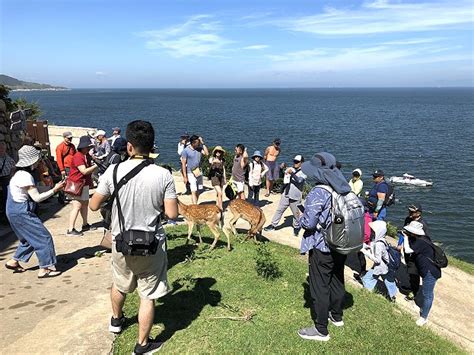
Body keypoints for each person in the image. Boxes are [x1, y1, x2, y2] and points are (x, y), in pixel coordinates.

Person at [89, 120, 178, 354]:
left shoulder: (113, 171)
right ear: (152, 146)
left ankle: (117, 321)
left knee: (120, 284)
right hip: (151, 243)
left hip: (121, 242)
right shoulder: (163, 175)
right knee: (147, 295)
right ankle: (142, 346)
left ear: (129, 146)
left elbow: (94, 205)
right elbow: (171, 213)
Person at [298, 152, 350, 342]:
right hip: (342, 243)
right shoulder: (344, 188)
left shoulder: (319, 192)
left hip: (323, 245)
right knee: (337, 278)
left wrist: (300, 219)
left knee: (319, 285)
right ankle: (336, 316)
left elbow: (309, 224)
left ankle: (321, 329)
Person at [4, 145, 65, 278]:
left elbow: (33, 192)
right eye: (38, 160)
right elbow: (36, 198)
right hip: (22, 212)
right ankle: (46, 268)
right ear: (32, 161)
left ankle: (14, 261)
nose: (40, 162)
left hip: (12, 210)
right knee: (43, 237)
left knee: (28, 239)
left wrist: (53, 187)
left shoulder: (17, 174)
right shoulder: (26, 176)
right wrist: (55, 190)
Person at [402, 221, 441, 326]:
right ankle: (423, 308)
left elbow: (408, 251)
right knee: (426, 293)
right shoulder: (422, 239)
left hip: (430, 272)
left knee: (427, 295)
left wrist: (405, 237)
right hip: (427, 270)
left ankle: (424, 317)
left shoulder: (420, 242)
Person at [264, 155, 306, 236]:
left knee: (296, 213)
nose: (295, 163)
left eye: (297, 162)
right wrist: (281, 169)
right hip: (286, 193)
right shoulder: (290, 168)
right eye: (294, 161)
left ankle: (296, 227)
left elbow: (300, 181)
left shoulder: (304, 172)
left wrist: (292, 173)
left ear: (302, 163)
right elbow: (281, 177)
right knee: (279, 210)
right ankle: (273, 225)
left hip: (295, 196)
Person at [66, 136, 98, 236]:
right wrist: (96, 166)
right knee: (77, 206)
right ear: (82, 147)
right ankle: (70, 229)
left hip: (83, 184)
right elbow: (84, 171)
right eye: (87, 147)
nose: (89, 149)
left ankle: (85, 224)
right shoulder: (78, 156)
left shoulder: (86, 155)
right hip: (76, 184)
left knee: (84, 204)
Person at [361, 220, 398, 302]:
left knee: (367, 279)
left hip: (380, 267)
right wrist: (368, 247)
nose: (371, 231)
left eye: (373, 230)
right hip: (387, 266)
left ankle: (367, 293)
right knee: (389, 281)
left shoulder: (378, 244)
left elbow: (377, 260)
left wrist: (365, 252)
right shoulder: (382, 239)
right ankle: (393, 296)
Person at [398, 204, 429, 301]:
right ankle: (412, 286)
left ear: (419, 213)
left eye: (412, 212)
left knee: (414, 271)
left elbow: (425, 240)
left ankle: (414, 292)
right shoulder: (408, 220)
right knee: (410, 269)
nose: (410, 213)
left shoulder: (422, 224)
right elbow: (403, 233)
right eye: (409, 211)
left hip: (416, 251)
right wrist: (400, 244)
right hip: (407, 248)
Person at [181, 135, 208, 204]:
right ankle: (195, 206)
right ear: (192, 143)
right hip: (190, 172)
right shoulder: (186, 151)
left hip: (199, 172)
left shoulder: (199, 148)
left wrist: (203, 143)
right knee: (193, 190)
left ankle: (195, 204)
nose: (198, 144)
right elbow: (183, 164)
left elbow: (207, 153)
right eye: (197, 142)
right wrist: (185, 176)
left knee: (199, 190)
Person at [0, 141, 16, 221]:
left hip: (8, 179)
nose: (2, 150)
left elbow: (13, 166)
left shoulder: (8, 157)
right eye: (1, 148)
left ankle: (8, 215)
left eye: (3, 148)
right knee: (4, 198)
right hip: (1, 180)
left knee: (8, 197)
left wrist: (12, 174)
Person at [208, 146, 226, 210]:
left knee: (219, 192)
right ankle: (221, 207)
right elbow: (210, 162)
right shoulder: (212, 159)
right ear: (215, 152)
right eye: (217, 151)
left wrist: (225, 178)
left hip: (221, 177)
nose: (218, 153)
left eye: (219, 151)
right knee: (219, 192)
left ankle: (217, 205)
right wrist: (214, 161)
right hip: (214, 177)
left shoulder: (222, 160)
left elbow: (223, 169)